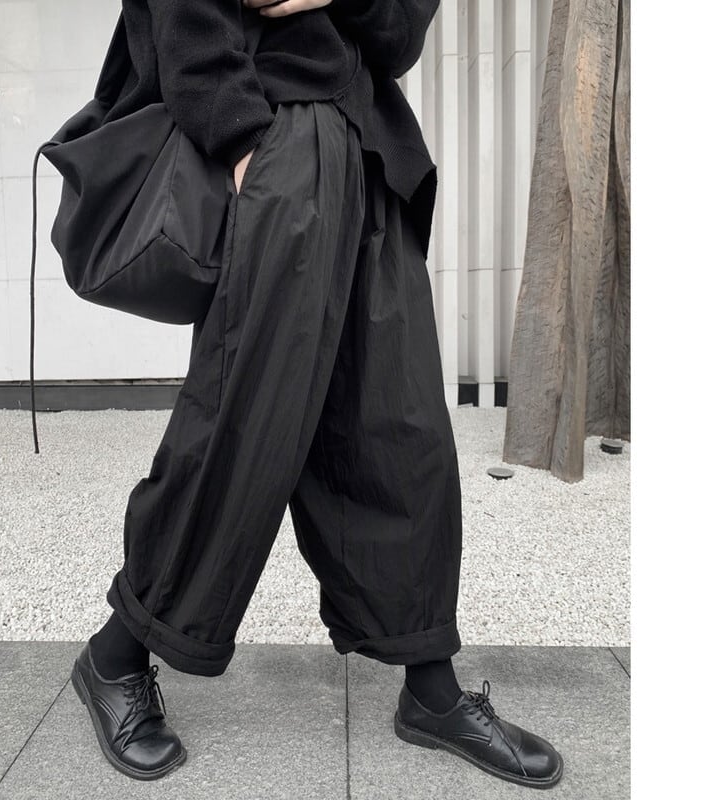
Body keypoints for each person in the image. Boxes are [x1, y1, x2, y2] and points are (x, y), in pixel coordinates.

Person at [68, 0, 563, 789]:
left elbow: (400, 33)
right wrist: (238, 139)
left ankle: (430, 688)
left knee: (402, 426)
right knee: (244, 426)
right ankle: (116, 654)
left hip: (371, 148)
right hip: (276, 140)